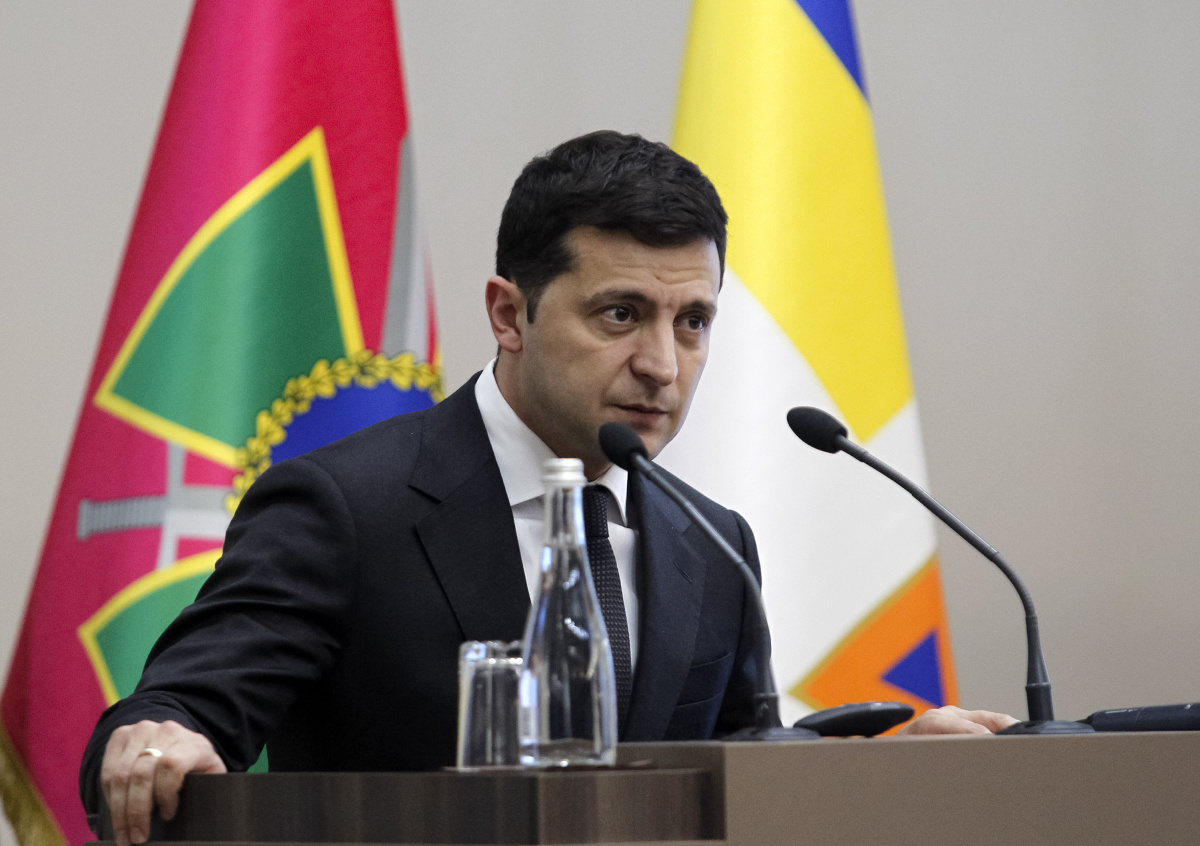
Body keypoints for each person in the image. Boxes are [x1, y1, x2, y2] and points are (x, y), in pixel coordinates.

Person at [81, 131, 1016, 846]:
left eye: (693, 322)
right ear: (509, 314)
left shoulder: (712, 542)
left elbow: (744, 775)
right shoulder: (346, 507)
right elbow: (177, 712)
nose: (663, 364)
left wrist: (881, 773)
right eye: (621, 314)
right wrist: (158, 736)